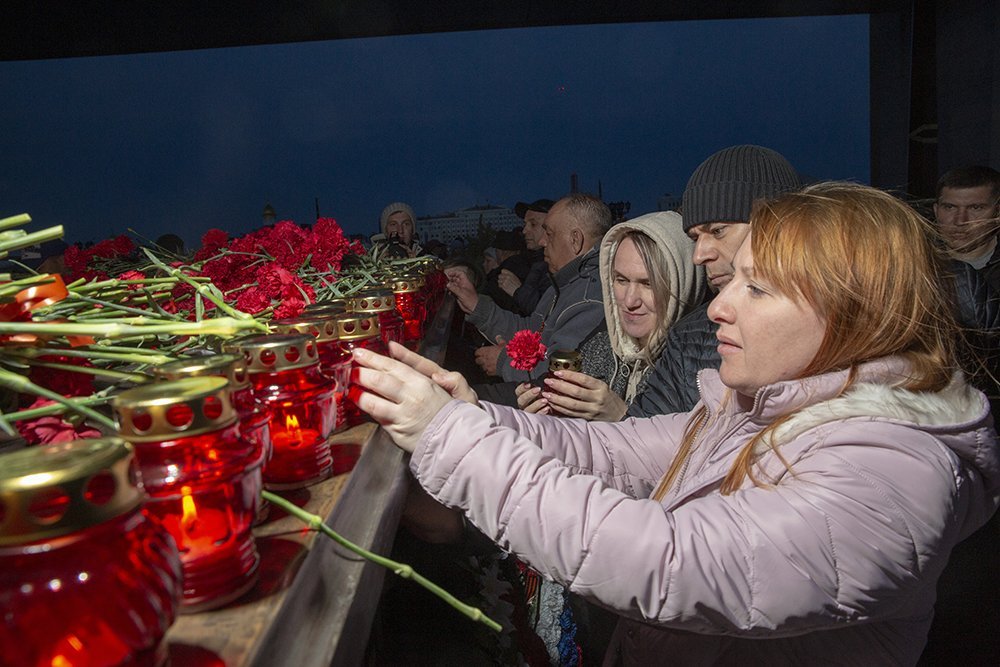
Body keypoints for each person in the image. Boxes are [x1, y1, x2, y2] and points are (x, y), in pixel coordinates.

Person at [353, 182, 1000, 665]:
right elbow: (613, 449)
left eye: (756, 288)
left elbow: (666, 560)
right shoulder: (758, 403)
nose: (717, 305)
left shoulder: (888, 475)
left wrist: (453, 440)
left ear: (850, 314)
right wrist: (473, 418)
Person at [628, 144, 801, 417]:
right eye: (695, 238)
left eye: (718, 231)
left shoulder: (843, 330)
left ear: (777, 225)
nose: (699, 255)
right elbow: (641, 440)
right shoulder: (689, 339)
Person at [517, 211, 706, 420]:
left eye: (648, 283)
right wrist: (546, 416)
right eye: (621, 280)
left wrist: (622, 416)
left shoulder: (700, 370)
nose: (629, 301)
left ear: (683, 285)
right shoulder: (600, 346)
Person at [445, 193, 608, 383]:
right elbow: (529, 333)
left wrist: (505, 363)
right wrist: (476, 304)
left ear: (575, 240)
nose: (542, 242)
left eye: (549, 234)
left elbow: (562, 376)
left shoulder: (590, 297)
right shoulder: (564, 283)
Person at [933, 165, 1000, 290]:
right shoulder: (914, 264)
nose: (960, 221)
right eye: (949, 207)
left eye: (975, 208)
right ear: (936, 211)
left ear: (997, 213)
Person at [499, 198, 555, 315]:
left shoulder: (558, 266)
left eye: (533, 224)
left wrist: (518, 291)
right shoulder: (519, 262)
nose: (525, 230)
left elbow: (550, 316)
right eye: (525, 224)